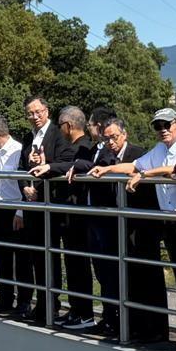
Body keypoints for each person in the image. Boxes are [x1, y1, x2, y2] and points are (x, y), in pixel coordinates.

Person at [91, 107, 176, 351]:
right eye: (158, 126)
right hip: (169, 222)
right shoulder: (158, 150)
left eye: (167, 125)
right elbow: (133, 166)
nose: (163, 130)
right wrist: (107, 169)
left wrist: (144, 174)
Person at [70, 113, 148, 338]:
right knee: (104, 273)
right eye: (107, 138)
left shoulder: (137, 153)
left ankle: (130, 323)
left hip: (126, 222)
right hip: (101, 220)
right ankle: (110, 318)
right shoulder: (103, 151)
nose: (110, 142)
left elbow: (132, 169)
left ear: (124, 134)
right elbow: (93, 166)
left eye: (114, 137)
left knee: (124, 274)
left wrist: (83, 165)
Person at [30, 106, 94, 328]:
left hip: (77, 214)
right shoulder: (73, 147)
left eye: (60, 125)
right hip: (68, 214)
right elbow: (63, 163)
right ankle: (76, 310)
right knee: (72, 264)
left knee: (79, 264)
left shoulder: (84, 146)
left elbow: (73, 163)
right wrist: (46, 163)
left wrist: (49, 165)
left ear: (68, 125)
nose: (59, 129)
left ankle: (84, 313)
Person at [18, 96, 62, 322]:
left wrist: (45, 165)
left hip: (50, 203)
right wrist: (24, 187)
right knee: (36, 256)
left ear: (47, 111)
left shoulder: (57, 134)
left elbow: (62, 164)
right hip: (31, 204)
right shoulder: (28, 137)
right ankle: (42, 303)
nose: (34, 117)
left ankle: (51, 305)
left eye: (38, 112)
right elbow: (21, 168)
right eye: (30, 113)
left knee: (50, 257)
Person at [0, 115, 25, 314]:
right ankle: (5, 299)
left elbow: (25, 182)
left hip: (15, 209)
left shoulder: (18, 150)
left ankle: (24, 301)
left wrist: (21, 212)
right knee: (1, 257)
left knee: (21, 258)